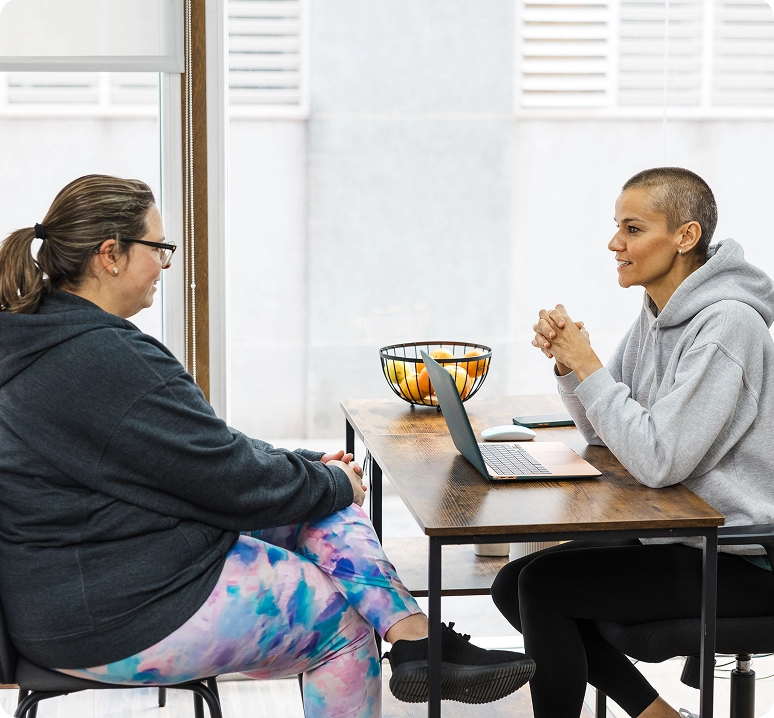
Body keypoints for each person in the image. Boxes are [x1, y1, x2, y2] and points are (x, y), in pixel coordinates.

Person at [0, 175, 535, 718]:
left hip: (81, 585)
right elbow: (225, 477)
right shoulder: (104, 358)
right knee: (347, 625)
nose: (165, 263)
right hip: (115, 614)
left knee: (327, 506)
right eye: (158, 248)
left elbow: (200, 449)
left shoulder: (40, 335)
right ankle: (413, 641)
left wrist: (309, 469)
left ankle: (417, 639)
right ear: (110, 254)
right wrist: (327, 480)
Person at [490, 167, 774, 718]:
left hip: (744, 555)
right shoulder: (659, 312)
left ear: (685, 237)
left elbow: (658, 459)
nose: (614, 243)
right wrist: (571, 367)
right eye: (617, 226)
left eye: (633, 228)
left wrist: (589, 365)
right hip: (684, 533)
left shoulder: (728, 327)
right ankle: (657, 715)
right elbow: (605, 432)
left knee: (545, 586)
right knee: (514, 583)